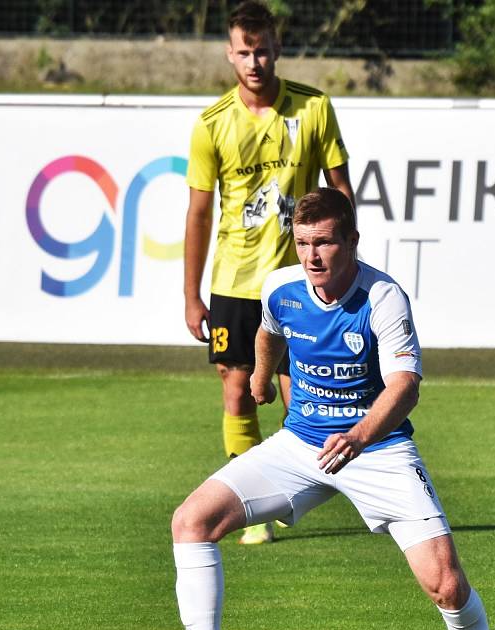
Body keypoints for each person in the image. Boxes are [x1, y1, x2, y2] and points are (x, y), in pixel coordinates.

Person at [159, 188, 495, 630]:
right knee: (191, 521)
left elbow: (405, 387)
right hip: (300, 444)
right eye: (302, 243)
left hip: (379, 450)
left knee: (445, 584)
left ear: (351, 240)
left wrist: (359, 437)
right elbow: (269, 331)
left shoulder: (383, 297)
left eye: (324, 242)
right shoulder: (282, 286)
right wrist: (261, 376)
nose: (312, 256)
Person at [183, 0, 355, 544]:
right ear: (229, 54)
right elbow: (199, 211)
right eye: (243, 52)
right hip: (234, 279)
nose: (253, 62)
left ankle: (286, 490)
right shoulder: (212, 124)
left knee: (296, 390)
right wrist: (191, 295)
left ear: (276, 49)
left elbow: (340, 190)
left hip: (299, 276)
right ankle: (250, 507)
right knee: (237, 389)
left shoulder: (314, 108)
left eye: (261, 51)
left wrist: (345, 255)